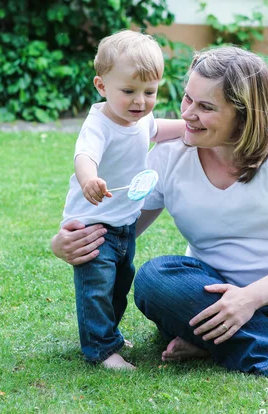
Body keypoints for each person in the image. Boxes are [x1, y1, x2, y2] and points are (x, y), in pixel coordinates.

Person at [52, 46, 268, 379]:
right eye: (187, 98)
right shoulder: (168, 154)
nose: (188, 114)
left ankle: (221, 341)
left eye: (206, 107)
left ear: (244, 114)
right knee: (155, 280)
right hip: (205, 295)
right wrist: (65, 243)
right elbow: (121, 226)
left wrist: (249, 299)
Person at [61, 30, 184, 369]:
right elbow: (85, 156)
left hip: (124, 222)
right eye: (128, 91)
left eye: (150, 92)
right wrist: (90, 180)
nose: (140, 102)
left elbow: (158, 130)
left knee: (119, 283)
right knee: (96, 288)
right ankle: (100, 349)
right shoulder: (99, 123)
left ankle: (108, 334)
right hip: (93, 224)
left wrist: (190, 128)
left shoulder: (141, 119)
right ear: (102, 86)